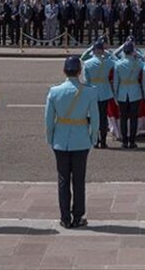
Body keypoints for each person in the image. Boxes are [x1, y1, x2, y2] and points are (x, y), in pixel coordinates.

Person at [44, 55, 99, 229]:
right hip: (81, 139)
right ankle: (78, 215)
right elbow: (95, 119)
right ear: (80, 71)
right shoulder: (89, 91)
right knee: (79, 180)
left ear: (64, 71)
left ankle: (65, 216)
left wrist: (50, 138)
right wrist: (93, 137)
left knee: (63, 179)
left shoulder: (55, 91)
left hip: (60, 139)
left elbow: (48, 120)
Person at [80, 37, 114, 148]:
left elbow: (85, 81)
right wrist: (107, 52)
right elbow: (116, 61)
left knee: (93, 117)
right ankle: (103, 141)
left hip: (93, 91)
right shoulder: (108, 62)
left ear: (93, 50)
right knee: (103, 117)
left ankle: (95, 140)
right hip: (104, 91)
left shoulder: (88, 63)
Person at [112, 39, 144, 148]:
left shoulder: (118, 64)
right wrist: (137, 53)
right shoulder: (138, 63)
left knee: (123, 118)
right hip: (135, 91)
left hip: (122, 91)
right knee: (134, 118)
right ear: (132, 51)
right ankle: (132, 141)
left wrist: (115, 94)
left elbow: (116, 82)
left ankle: (124, 141)